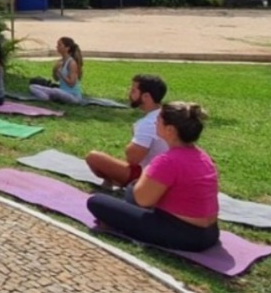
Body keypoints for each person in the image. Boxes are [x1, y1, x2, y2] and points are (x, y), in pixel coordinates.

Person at [87, 102, 220, 252]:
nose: (155, 122)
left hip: (185, 235)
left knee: (97, 202)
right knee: (132, 189)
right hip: (211, 233)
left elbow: (143, 200)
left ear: (170, 130)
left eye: (159, 119)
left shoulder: (168, 161)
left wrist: (148, 169)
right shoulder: (203, 156)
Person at [85, 74, 169, 190]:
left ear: (146, 96)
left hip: (152, 178)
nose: (129, 93)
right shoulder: (165, 114)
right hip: (165, 172)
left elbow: (133, 159)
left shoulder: (148, 123)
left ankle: (115, 182)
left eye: (133, 90)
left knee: (93, 157)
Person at [29, 37, 84, 104]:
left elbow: (71, 84)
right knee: (33, 86)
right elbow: (56, 79)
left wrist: (60, 73)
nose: (57, 47)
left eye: (59, 45)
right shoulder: (61, 61)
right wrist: (55, 70)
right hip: (62, 91)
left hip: (73, 96)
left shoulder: (72, 63)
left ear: (67, 48)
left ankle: (47, 97)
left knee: (56, 91)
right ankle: (46, 97)